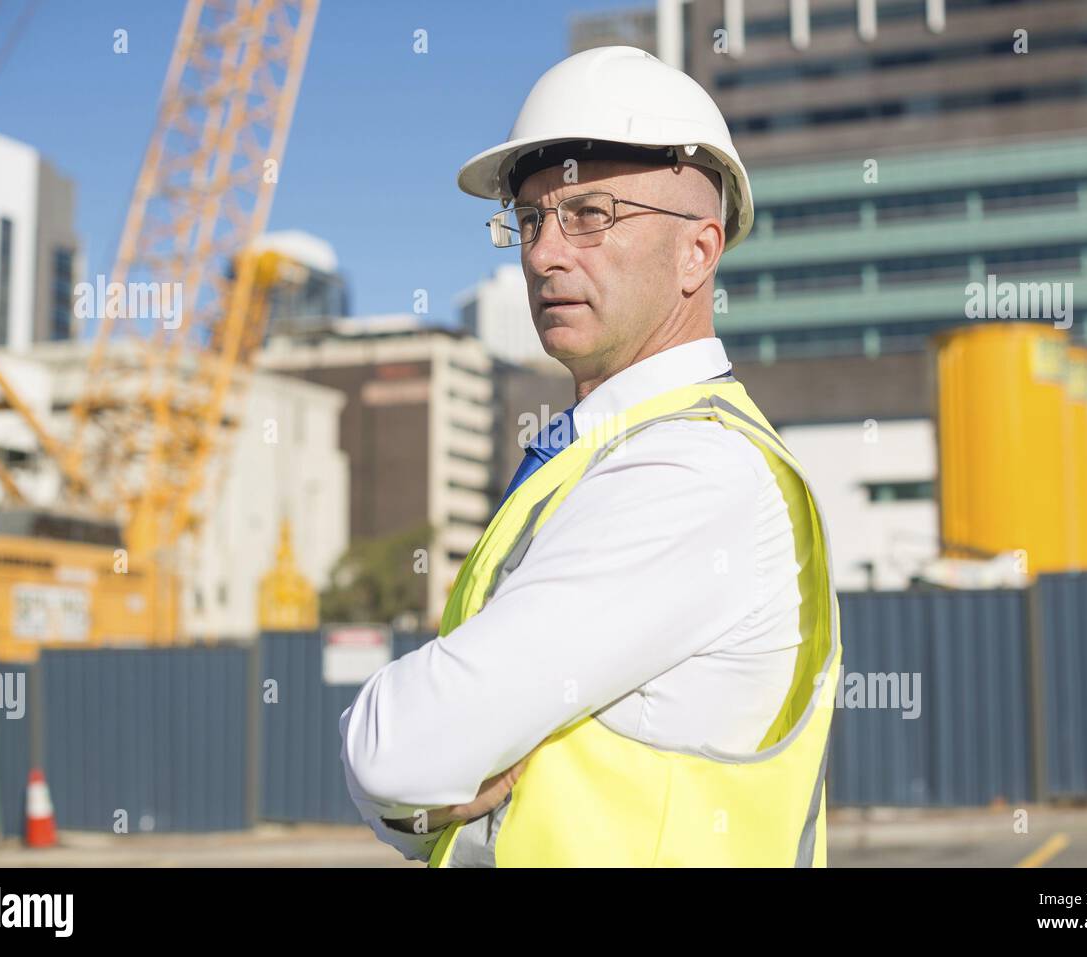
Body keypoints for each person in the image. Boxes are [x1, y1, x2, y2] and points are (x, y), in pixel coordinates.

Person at [340, 45, 840, 867]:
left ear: (699, 251)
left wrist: (398, 783)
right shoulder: (595, 458)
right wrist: (416, 800)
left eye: (591, 214)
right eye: (531, 219)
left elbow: (397, 750)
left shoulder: (693, 472)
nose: (542, 253)